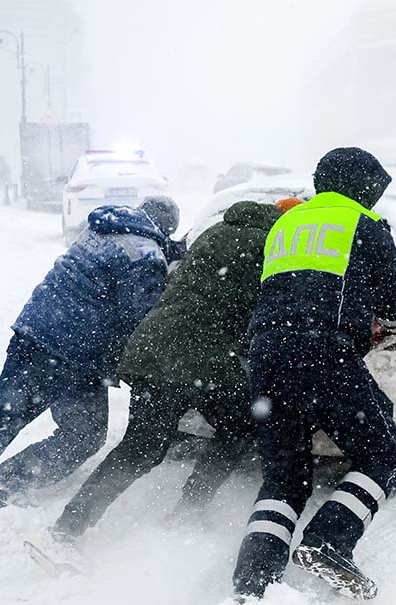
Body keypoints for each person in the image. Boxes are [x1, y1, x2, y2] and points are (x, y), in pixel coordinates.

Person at [231, 147, 396, 601]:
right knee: (384, 456)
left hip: (265, 355)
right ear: (365, 188)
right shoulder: (367, 228)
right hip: (323, 354)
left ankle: (252, 582)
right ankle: (329, 542)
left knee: (285, 476)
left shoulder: (285, 223)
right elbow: (395, 313)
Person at [0, 203, 178, 506]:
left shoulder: (104, 228)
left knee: (2, 414)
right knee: (82, 436)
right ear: (167, 229)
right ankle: (5, 483)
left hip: (34, 331)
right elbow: (140, 319)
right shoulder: (148, 257)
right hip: (77, 355)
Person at [51, 200, 282, 538]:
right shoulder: (269, 247)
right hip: (201, 355)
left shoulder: (215, 232)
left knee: (140, 447)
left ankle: (69, 525)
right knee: (240, 425)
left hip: (153, 344)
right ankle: (190, 509)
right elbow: (259, 312)